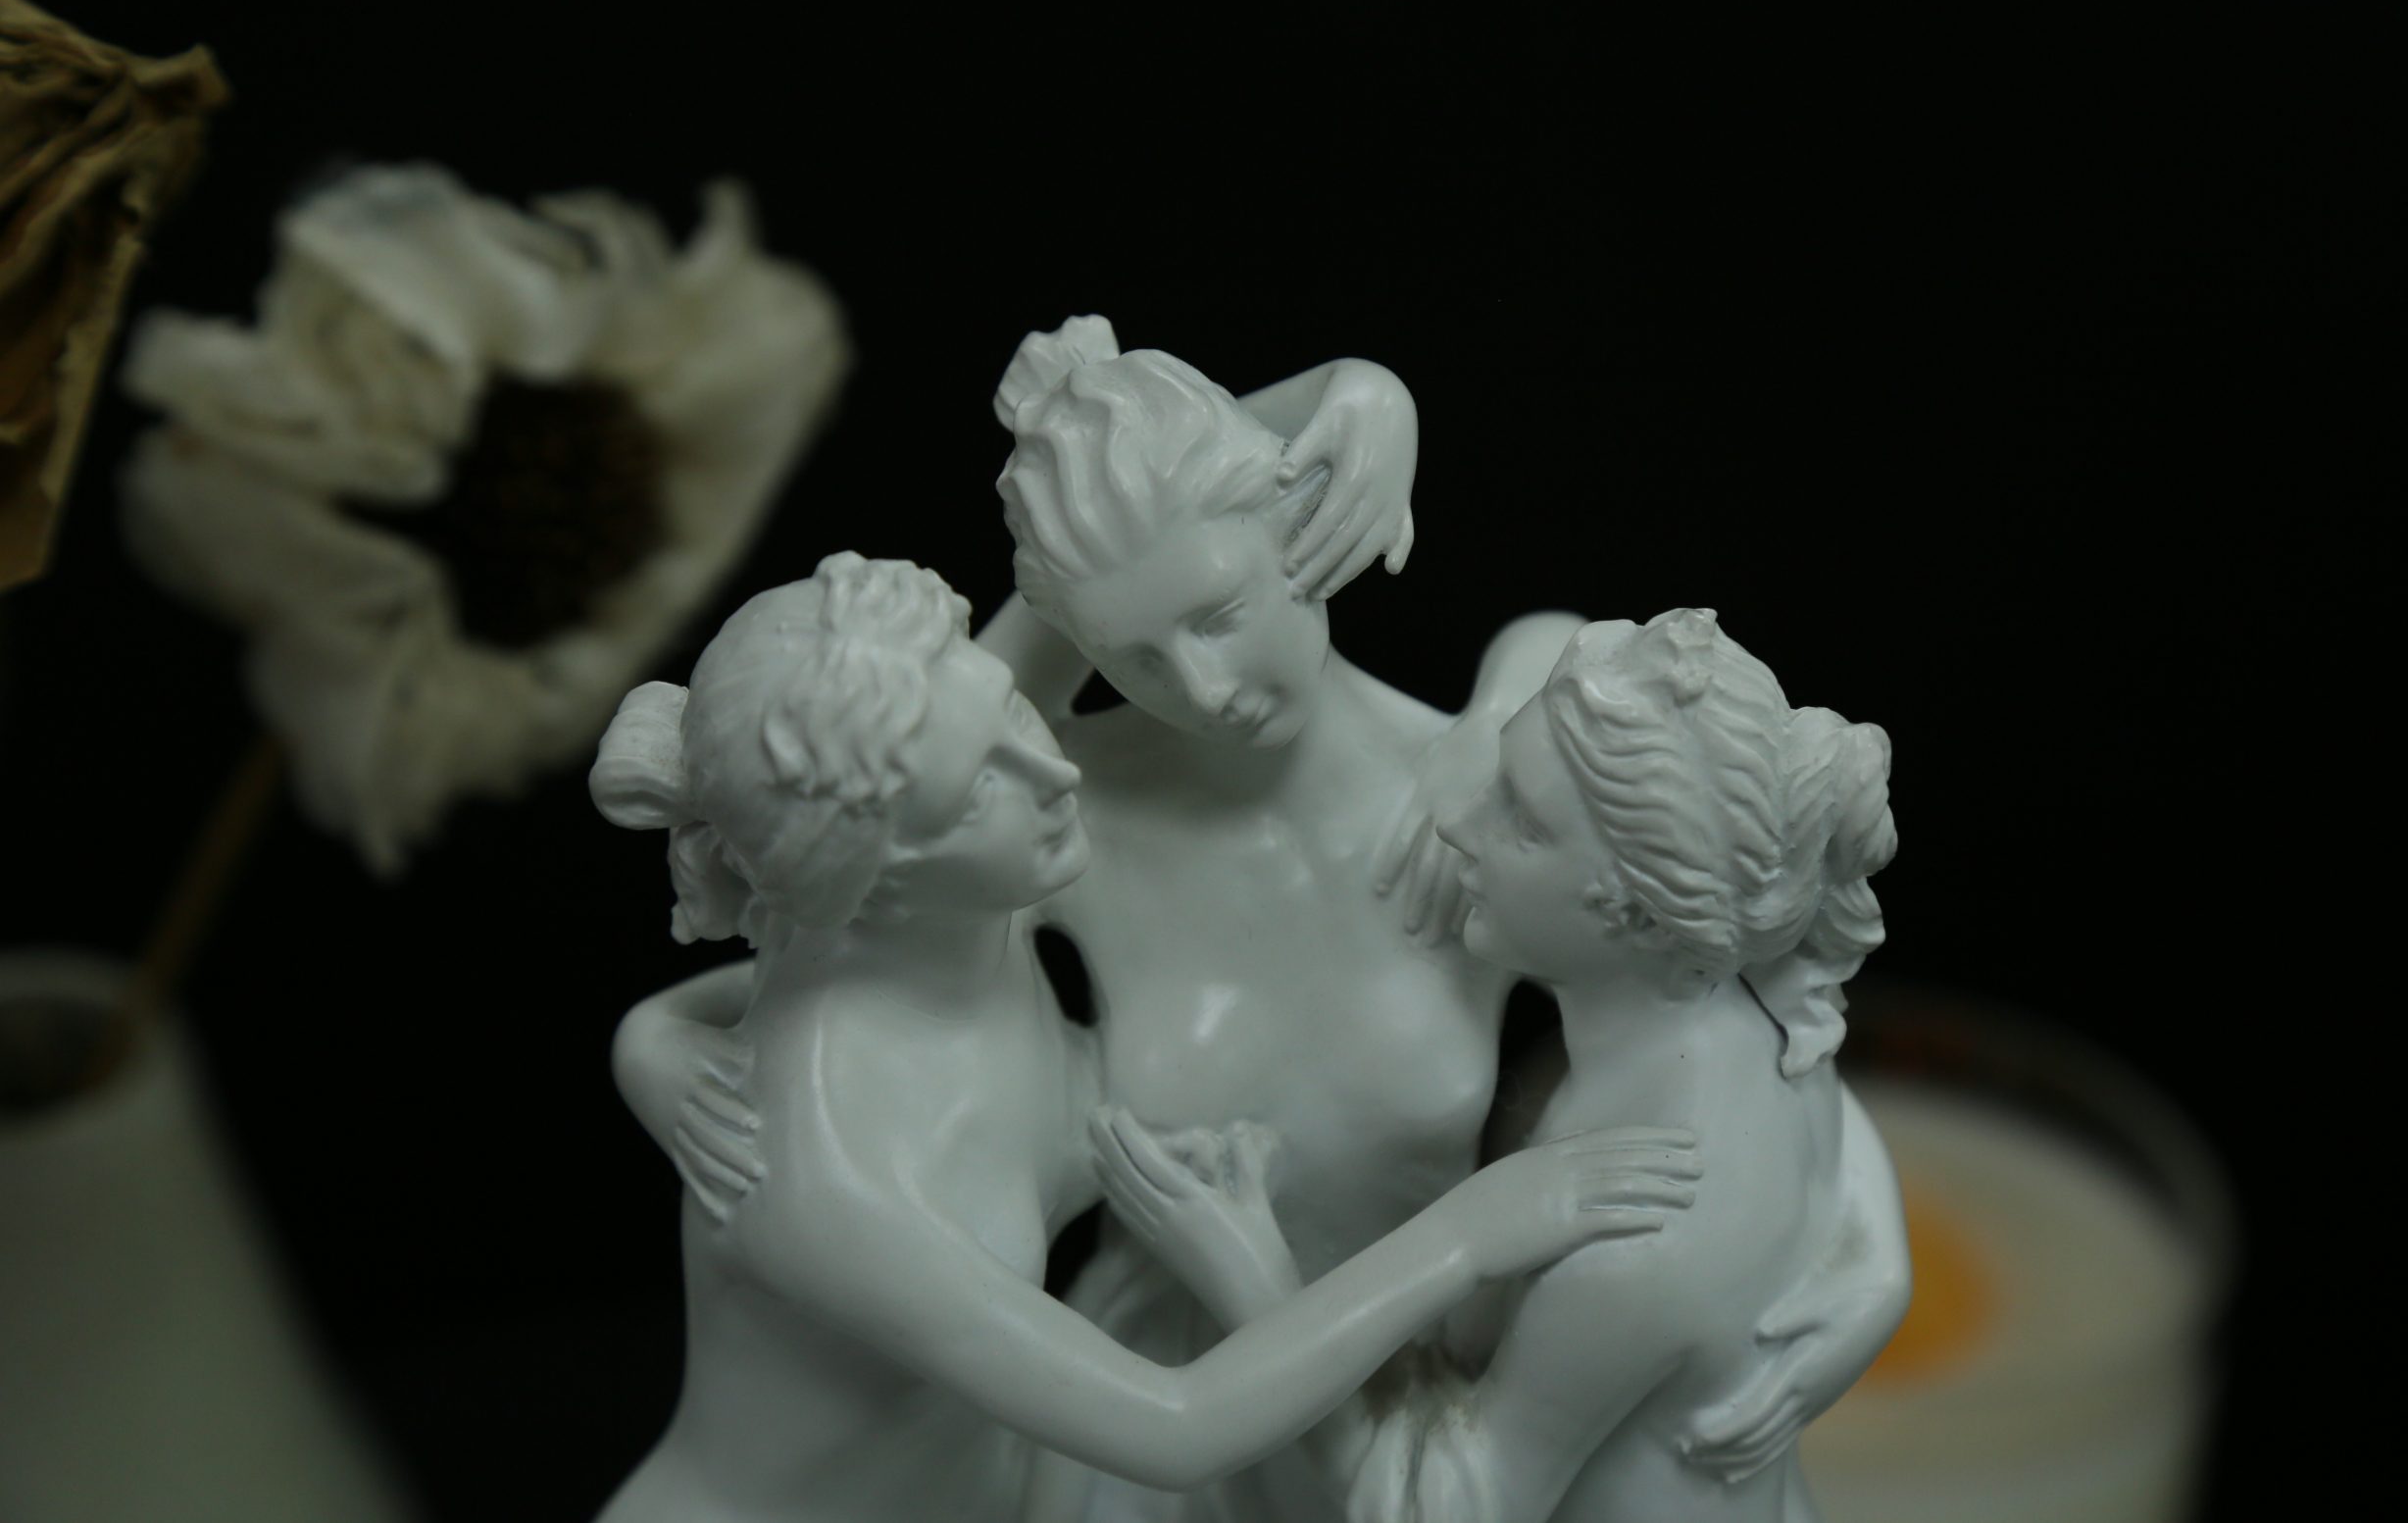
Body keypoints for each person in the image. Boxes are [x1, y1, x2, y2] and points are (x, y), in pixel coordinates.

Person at [619, 324, 1906, 1518]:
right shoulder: (1055, 814)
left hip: (1401, 1402)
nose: (1203, 688)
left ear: (1298, 527)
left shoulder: (1480, 811)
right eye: (1130, 656)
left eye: (1221, 615)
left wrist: (1862, 1243)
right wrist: (653, 1041)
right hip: (1148, 1425)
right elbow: (894, 773)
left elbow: (1712, 975)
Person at [584, 551, 1700, 1523]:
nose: (1054, 771)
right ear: (876, 880)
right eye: (974, 793)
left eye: (1011, 709)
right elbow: (1175, 1424)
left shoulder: (946, 920)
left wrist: (1369, 406)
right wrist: (1470, 1232)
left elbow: (1105, 531)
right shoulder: (821, 1170)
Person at [1092, 609, 1909, 1523]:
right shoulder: (1762, 1032)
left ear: (1635, 913)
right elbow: (1838, 1139)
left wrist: (1253, 1280)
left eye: (1519, 819)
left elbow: (1437, 1507)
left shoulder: (1637, 1241)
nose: (1452, 819)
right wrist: (1883, 1271)